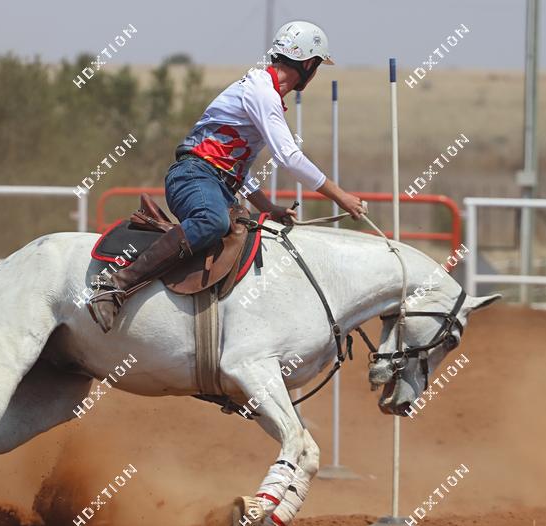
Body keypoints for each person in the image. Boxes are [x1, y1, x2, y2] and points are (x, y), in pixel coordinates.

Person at [88, 20, 367, 333]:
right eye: (316, 67)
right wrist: (341, 196)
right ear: (308, 64)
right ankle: (115, 284)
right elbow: (289, 157)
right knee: (212, 222)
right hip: (193, 176)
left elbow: (238, 171)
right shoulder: (263, 94)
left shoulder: (263, 92)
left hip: (212, 181)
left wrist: (268, 207)